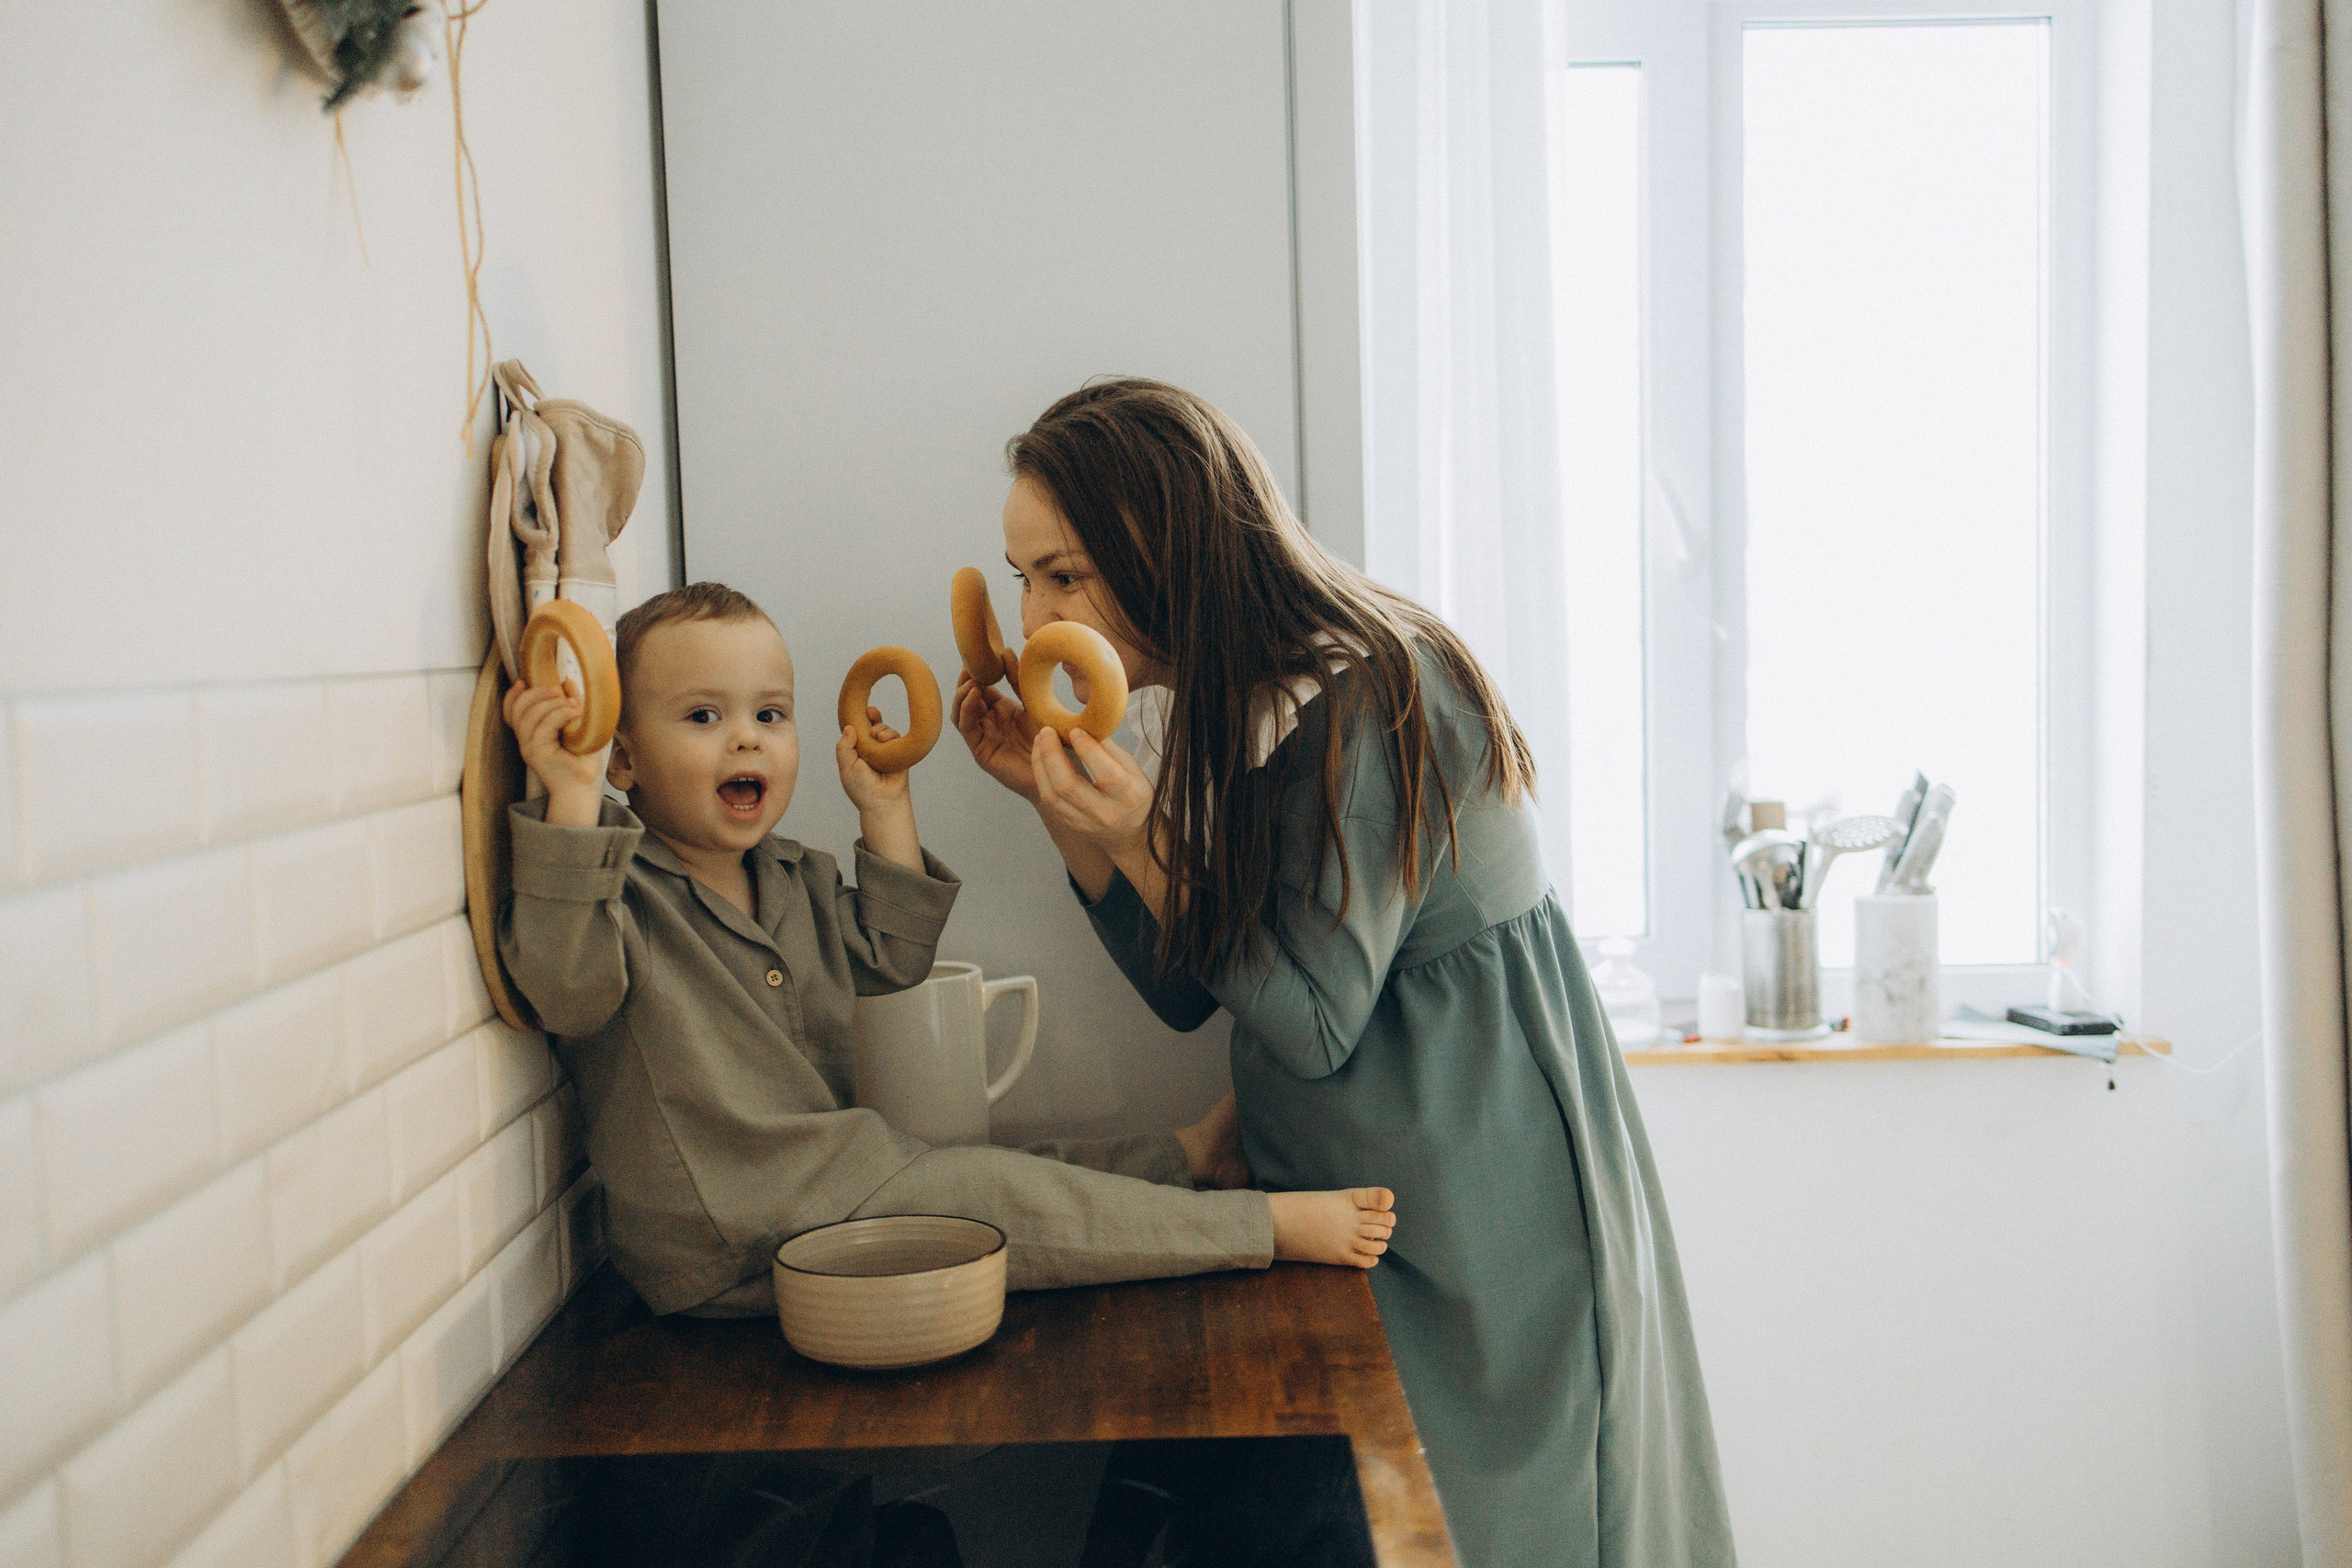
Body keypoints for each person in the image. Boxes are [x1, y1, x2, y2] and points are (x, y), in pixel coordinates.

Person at [953, 381, 1737, 1568]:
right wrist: (1060, 808)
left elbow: (1310, 1017)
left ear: (1158, 542)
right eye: (1021, 578)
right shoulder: (1227, 704)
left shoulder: (1374, 691)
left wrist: (1133, 838)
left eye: (1061, 574)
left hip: (1477, 1203)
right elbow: (1194, 988)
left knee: (1489, 1525)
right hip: (1351, 1197)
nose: (1033, 614)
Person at [496, 581, 1398, 1320]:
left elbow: (891, 963)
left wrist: (884, 808)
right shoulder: (617, 887)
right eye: (702, 716)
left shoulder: (791, 875)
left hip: (832, 1179)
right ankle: (1261, 1228)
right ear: (620, 757)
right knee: (994, 1202)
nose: (748, 737)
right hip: (729, 1224)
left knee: (1008, 1168)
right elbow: (568, 991)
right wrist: (571, 798)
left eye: (771, 714)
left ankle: (1185, 1157)